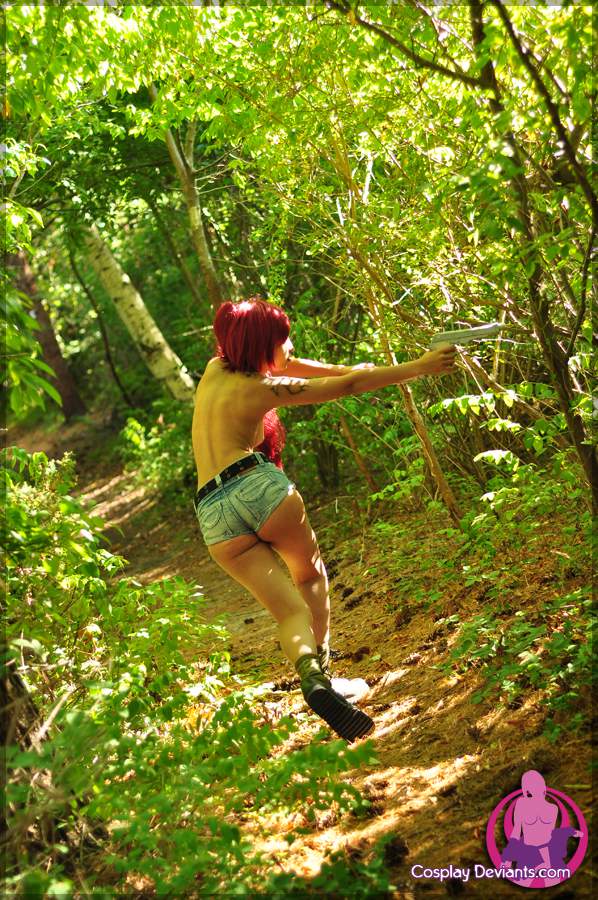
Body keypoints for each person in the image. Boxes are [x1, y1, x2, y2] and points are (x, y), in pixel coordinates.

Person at [191, 298, 456, 741]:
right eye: (283, 338)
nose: (290, 346)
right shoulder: (262, 389)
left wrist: (345, 367)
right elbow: (348, 387)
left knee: (288, 612)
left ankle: (311, 677)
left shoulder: (215, 369)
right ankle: (326, 678)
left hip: (212, 512)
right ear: (263, 344)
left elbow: (294, 365)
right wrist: (420, 366)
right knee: (310, 577)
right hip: (256, 485)